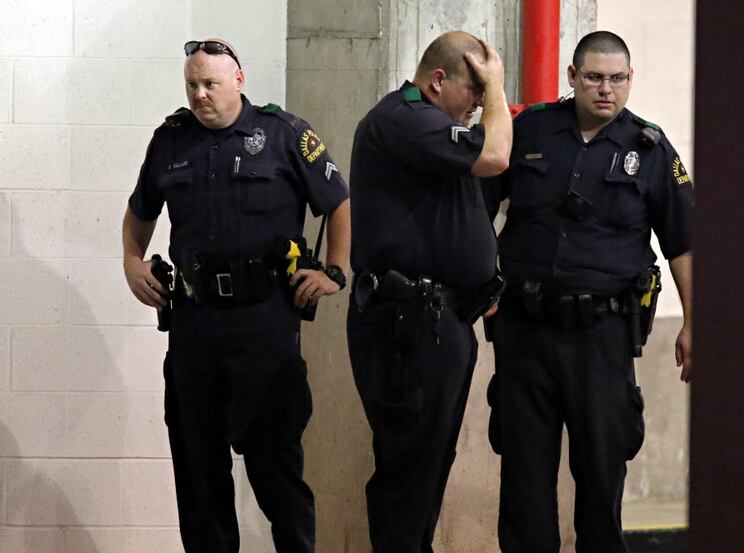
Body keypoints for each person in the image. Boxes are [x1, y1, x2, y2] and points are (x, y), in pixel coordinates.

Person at [121, 38, 350, 553]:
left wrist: (335, 270)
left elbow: (337, 200)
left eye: (211, 84)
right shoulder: (171, 140)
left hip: (265, 322)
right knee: (199, 476)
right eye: (192, 84)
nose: (200, 94)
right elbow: (140, 211)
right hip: (195, 324)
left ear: (239, 82)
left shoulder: (284, 134)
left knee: (276, 472)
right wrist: (132, 262)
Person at [483, 31, 693, 552]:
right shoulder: (526, 130)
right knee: (524, 478)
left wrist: (695, 321)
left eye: (617, 78)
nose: (606, 89)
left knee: (601, 472)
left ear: (630, 80)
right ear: (572, 77)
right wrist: (476, 281)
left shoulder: (649, 148)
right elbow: (474, 214)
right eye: (595, 77)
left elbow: (684, 243)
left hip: (602, 337)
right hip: (524, 333)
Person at [347, 31, 512, 553]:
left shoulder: (435, 126)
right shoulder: (405, 118)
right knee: (408, 474)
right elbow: (496, 156)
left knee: (424, 470)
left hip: (436, 320)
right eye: (475, 90)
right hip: (409, 323)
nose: (480, 104)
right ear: (438, 80)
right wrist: (501, 88)